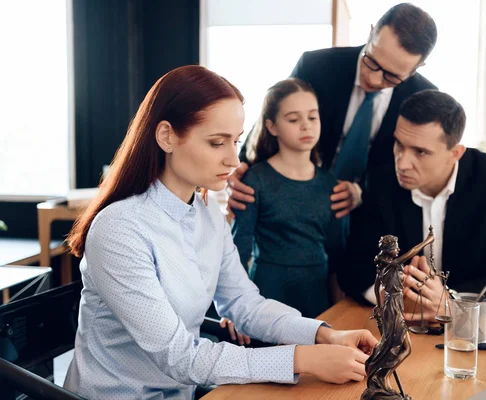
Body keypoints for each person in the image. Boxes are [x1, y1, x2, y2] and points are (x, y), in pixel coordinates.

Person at [64, 65, 377, 399]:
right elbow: (179, 356)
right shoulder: (120, 229)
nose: (233, 158)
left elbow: (244, 303)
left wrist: (324, 335)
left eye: (236, 141)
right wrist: (301, 358)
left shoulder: (207, 213)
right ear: (167, 136)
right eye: (217, 143)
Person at [337, 90, 486, 319]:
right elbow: (352, 268)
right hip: (404, 321)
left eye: (420, 152)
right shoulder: (381, 177)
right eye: (399, 144)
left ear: (455, 153)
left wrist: (450, 301)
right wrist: (391, 294)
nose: (402, 163)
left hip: (476, 325)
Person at [228, 3, 438, 221]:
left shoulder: (422, 96)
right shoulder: (316, 66)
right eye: (372, 62)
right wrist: (243, 167)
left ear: (417, 68)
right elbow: (271, 119)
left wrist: (361, 192)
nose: (374, 79)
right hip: (298, 201)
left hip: (372, 216)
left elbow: (412, 171)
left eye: (391, 77)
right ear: (371, 32)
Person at [231, 78, 343, 318]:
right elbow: (238, 250)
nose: (306, 126)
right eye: (293, 119)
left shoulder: (330, 185)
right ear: (272, 127)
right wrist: (235, 308)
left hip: (317, 293)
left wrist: (339, 310)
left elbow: (337, 256)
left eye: (313, 117)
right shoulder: (255, 180)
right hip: (267, 292)